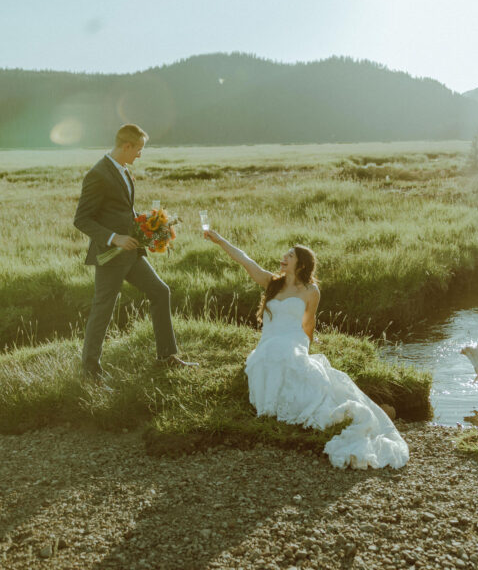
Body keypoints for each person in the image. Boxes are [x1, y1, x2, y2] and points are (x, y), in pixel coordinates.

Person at [204, 229, 409, 470]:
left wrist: (305, 349)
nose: (284, 257)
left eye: (290, 255)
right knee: (269, 356)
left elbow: (308, 323)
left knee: (292, 363)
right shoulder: (271, 283)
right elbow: (244, 259)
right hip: (270, 341)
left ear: (301, 264)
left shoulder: (311, 292)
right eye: (286, 254)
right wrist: (219, 241)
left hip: (293, 340)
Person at [74, 123, 195, 381]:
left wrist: (149, 224)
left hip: (132, 253)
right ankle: (90, 372)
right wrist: (114, 238)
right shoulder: (98, 174)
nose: (140, 154)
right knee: (103, 309)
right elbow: (82, 219)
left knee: (160, 292)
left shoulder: (123, 170)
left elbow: (121, 210)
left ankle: (166, 357)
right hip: (111, 256)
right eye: (138, 149)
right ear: (126, 146)